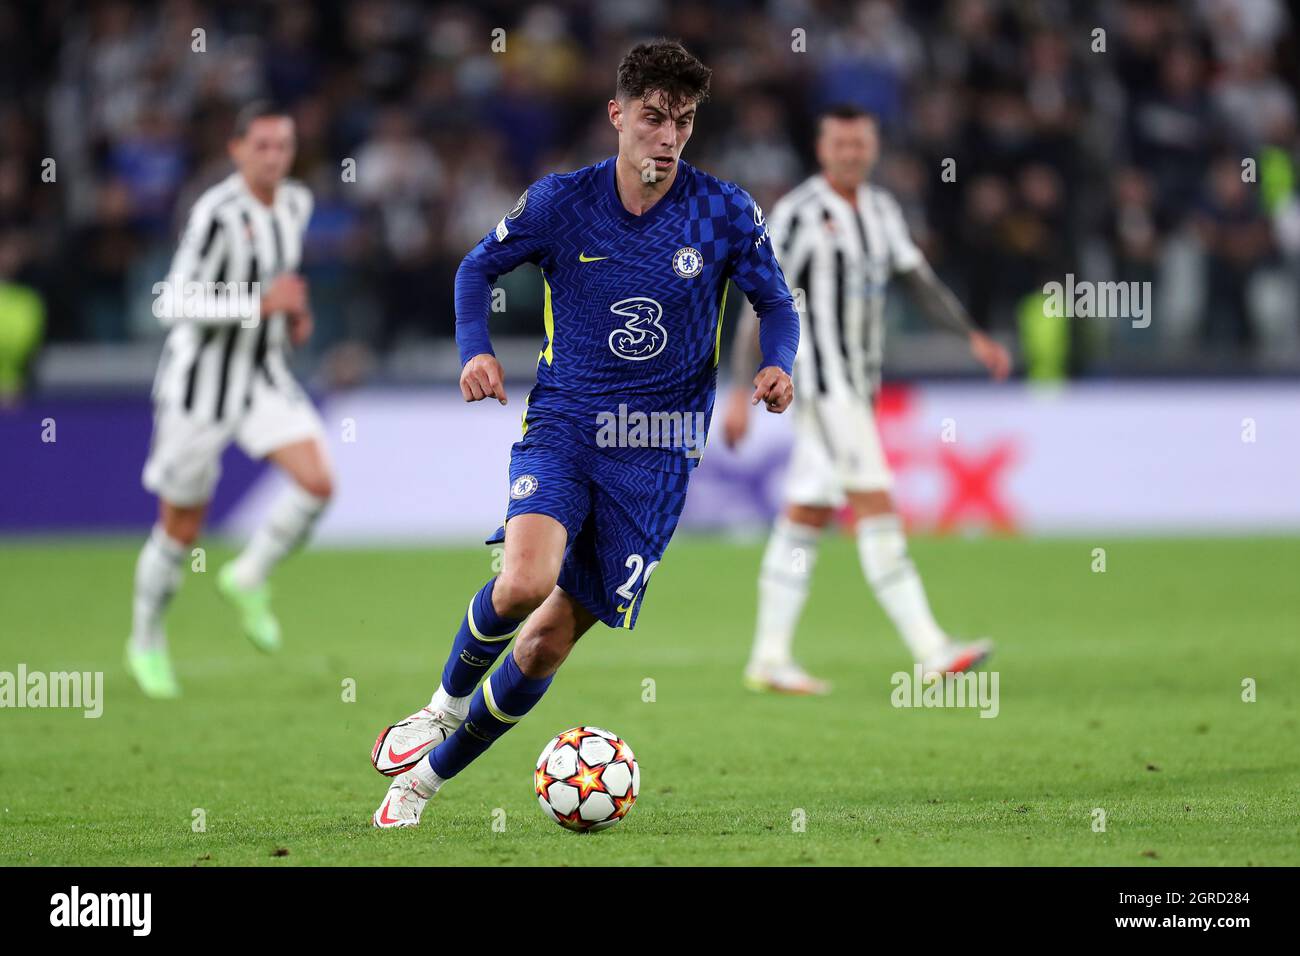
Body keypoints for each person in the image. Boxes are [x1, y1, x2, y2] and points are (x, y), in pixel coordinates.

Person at [369, 39, 800, 828]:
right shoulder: (562, 203)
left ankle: (423, 781)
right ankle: (438, 706)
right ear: (618, 116)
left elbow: (778, 303)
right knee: (526, 582)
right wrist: (475, 351)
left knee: (544, 646)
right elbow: (475, 269)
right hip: (566, 421)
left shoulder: (724, 210)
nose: (668, 137)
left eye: (684, 121)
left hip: (661, 451)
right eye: (653, 117)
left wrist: (776, 366)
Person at [722, 105, 1011, 695]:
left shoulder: (881, 211)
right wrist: (736, 389)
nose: (851, 153)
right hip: (823, 385)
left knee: (806, 513)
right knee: (877, 507)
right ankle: (930, 649)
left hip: (860, 387)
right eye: (840, 144)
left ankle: (769, 657)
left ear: (872, 146)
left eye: (860, 143)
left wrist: (972, 336)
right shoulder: (799, 214)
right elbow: (761, 298)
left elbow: (920, 283)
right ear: (822, 148)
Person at [127, 102, 332, 699]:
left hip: (262, 377)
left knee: (317, 482)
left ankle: (247, 574)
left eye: (284, 145)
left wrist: (295, 311)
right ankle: (145, 640)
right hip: (199, 387)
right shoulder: (215, 214)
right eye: (262, 146)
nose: (274, 157)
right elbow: (169, 302)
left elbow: (284, 280)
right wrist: (259, 304)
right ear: (237, 150)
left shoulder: (295, 203)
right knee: (180, 527)